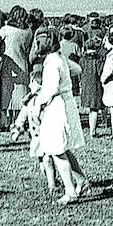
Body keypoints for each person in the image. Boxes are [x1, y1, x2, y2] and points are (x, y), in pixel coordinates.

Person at [33, 47, 90, 204]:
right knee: (62, 147)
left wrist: (38, 104)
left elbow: (50, 89)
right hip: (66, 101)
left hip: (56, 105)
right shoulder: (60, 58)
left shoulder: (52, 62)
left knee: (56, 149)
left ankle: (70, 190)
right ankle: (81, 180)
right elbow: (77, 69)